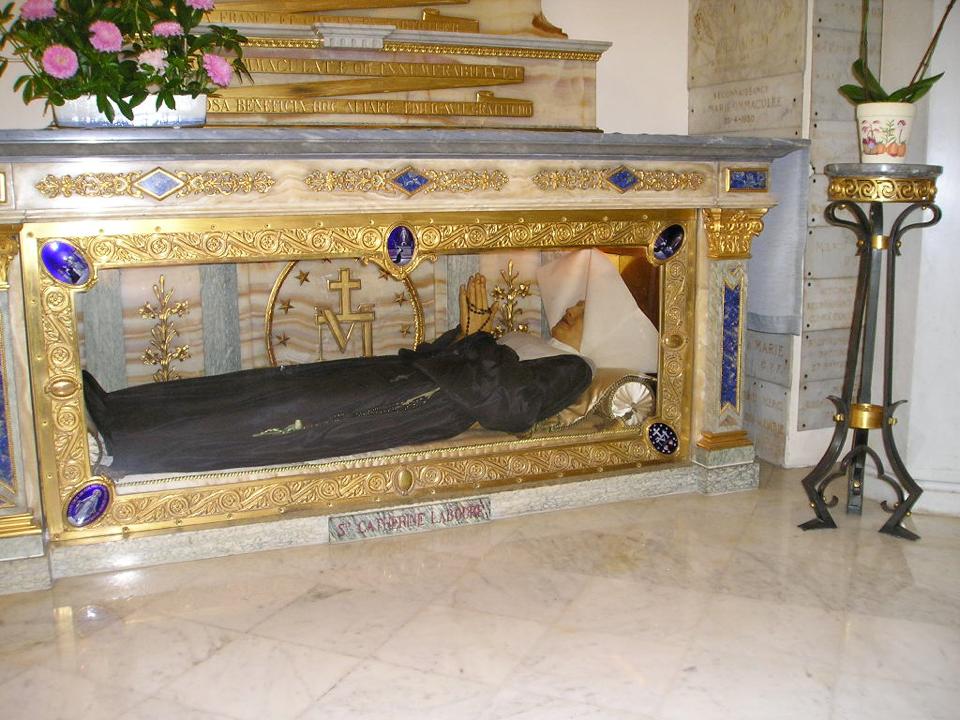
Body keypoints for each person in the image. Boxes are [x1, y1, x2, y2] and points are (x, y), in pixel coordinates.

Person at [84, 274, 593, 475]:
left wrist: (479, 338)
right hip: (399, 377)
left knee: (281, 414)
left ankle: (126, 446)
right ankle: (120, 411)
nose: (571, 309)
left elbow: (510, 410)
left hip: (418, 405)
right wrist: (466, 331)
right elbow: (453, 360)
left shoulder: (573, 366)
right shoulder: (533, 339)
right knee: (265, 387)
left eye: (584, 311)